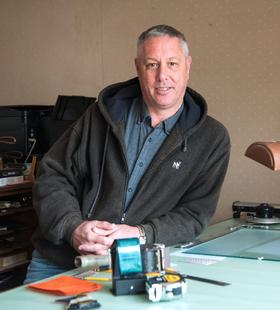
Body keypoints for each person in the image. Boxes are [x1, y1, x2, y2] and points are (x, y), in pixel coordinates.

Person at [24, 24, 230, 284]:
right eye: (152, 65)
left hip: (136, 266)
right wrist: (72, 227)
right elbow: (53, 175)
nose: (162, 76)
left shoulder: (212, 138)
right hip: (59, 261)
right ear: (138, 67)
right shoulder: (100, 116)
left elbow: (193, 215)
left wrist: (140, 234)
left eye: (173, 64)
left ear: (188, 66)